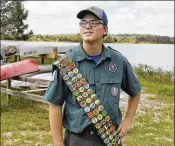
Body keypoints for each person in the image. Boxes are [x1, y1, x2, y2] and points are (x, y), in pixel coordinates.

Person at [44, 6, 142, 146]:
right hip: (77, 139)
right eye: (83, 22)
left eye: (94, 23)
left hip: (110, 139)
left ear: (105, 30)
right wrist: (58, 143)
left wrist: (128, 120)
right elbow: (54, 105)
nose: (87, 26)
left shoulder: (119, 61)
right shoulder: (67, 63)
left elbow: (136, 91)